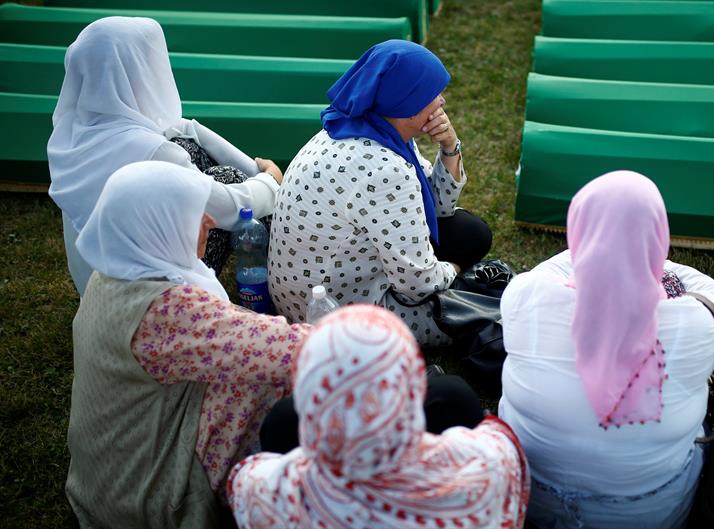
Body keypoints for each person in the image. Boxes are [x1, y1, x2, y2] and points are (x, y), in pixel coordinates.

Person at [66, 161, 305, 528]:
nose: (209, 221)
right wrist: (372, 338)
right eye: (192, 212)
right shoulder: (166, 309)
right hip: (149, 495)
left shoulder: (113, 273)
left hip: (105, 481)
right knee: (286, 380)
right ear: (155, 224)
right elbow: (288, 350)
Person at [498, 171, 714, 529]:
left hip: (529, 495)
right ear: (659, 236)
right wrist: (650, 260)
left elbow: (553, 267)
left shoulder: (524, 296)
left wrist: (603, 245)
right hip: (644, 513)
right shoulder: (699, 323)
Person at [268, 39, 492, 345]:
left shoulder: (364, 125)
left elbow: (438, 206)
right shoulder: (384, 170)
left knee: (471, 233)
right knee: (480, 310)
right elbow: (419, 284)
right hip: (333, 317)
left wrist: (450, 147)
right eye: (432, 94)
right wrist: (454, 271)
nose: (441, 101)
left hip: (309, 291)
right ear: (407, 103)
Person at [228, 304, 530, 529]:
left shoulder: (263, 494)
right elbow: (500, 439)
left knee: (281, 420)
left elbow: (243, 477)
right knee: (454, 395)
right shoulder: (489, 469)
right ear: (414, 386)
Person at [47, 16, 283, 296]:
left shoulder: (71, 133)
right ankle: (285, 278)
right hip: (148, 291)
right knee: (228, 180)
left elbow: (181, 127)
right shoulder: (148, 149)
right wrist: (271, 181)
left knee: (191, 148)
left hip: (98, 288)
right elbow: (230, 209)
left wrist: (253, 167)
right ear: (135, 69)